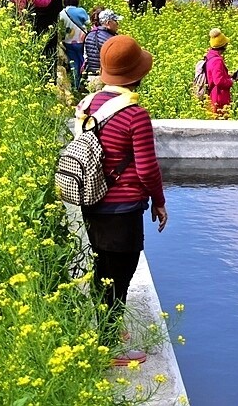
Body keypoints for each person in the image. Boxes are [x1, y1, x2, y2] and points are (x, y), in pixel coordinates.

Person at [75, 34, 168, 364]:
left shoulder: (88, 105)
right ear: (137, 74)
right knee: (120, 275)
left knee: (103, 267)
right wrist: (159, 201)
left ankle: (108, 327)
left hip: (91, 201)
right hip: (122, 208)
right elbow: (147, 169)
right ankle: (109, 346)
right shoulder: (134, 115)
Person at [58, 0, 90, 89]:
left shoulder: (62, 13)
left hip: (68, 42)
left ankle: (75, 84)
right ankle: (84, 82)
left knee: (73, 63)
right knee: (83, 60)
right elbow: (88, 22)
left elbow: (61, 27)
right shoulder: (81, 11)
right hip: (81, 41)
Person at [205, 28, 236, 115]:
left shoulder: (210, 57)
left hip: (214, 95)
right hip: (219, 97)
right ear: (223, 46)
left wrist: (227, 75)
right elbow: (218, 81)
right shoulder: (217, 60)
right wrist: (231, 81)